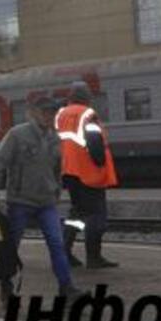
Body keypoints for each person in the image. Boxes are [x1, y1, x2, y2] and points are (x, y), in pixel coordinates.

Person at [0, 95, 75, 298]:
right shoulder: (17, 135)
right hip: (20, 202)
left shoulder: (54, 138)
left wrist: (56, 190)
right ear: (33, 113)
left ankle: (66, 287)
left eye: (52, 112)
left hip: (46, 202)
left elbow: (56, 168)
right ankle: (6, 285)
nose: (49, 116)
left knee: (57, 244)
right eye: (45, 112)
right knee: (11, 246)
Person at [55, 79, 120, 269]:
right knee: (95, 216)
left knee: (77, 213)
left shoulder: (61, 115)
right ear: (87, 97)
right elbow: (94, 143)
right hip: (88, 172)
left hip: (69, 171)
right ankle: (94, 257)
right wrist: (100, 163)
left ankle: (64, 252)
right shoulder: (87, 114)